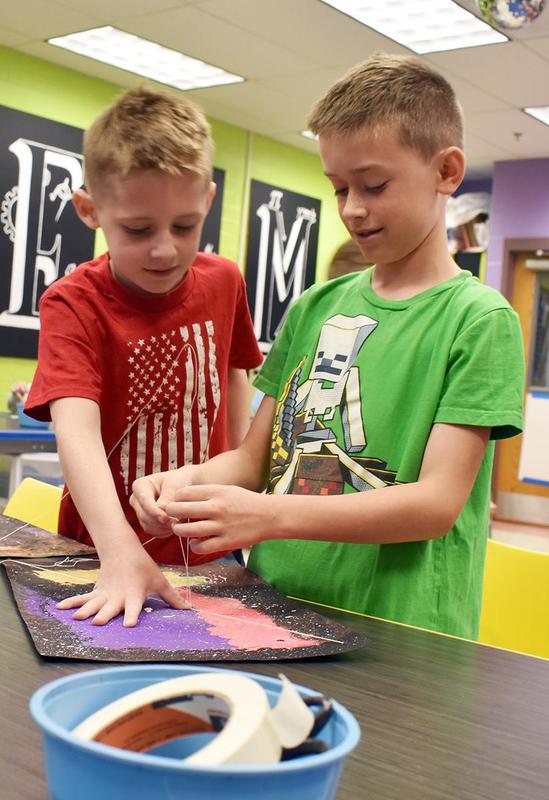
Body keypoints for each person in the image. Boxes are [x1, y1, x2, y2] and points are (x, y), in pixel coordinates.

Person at [130, 54, 524, 639]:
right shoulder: (316, 306)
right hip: (275, 608)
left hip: (401, 634)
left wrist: (269, 515)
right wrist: (188, 484)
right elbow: (254, 460)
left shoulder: (480, 320)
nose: (352, 208)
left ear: (447, 171)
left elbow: (435, 504)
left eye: (374, 185)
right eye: (339, 188)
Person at [25, 86, 263, 627]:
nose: (165, 249)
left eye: (184, 226)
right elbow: (76, 433)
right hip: (100, 553)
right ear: (90, 210)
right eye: (138, 229)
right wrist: (118, 550)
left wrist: (235, 486)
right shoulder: (72, 303)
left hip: (207, 550)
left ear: (208, 200)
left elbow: (235, 379)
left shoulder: (225, 281)